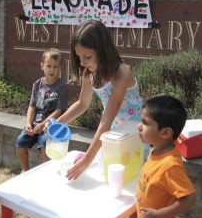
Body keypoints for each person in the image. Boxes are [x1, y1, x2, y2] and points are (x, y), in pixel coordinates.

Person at [46, 19, 145, 181]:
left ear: (103, 51)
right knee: (111, 178)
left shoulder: (122, 73)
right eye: (79, 57)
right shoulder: (89, 73)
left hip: (134, 136)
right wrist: (58, 123)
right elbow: (82, 104)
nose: (82, 62)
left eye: (87, 56)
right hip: (111, 136)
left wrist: (88, 158)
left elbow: (106, 119)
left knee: (132, 180)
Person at [133, 95, 196, 218]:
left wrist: (159, 216)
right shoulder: (155, 150)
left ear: (166, 132)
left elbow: (190, 198)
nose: (139, 126)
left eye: (145, 123)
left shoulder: (170, 165)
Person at [16, 48, 68, 171]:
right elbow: (32, 106)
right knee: (20, 142)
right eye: (48, 66)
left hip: (51, 126)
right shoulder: (37, 84)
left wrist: (43, 125)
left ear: (60, 68)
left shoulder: (62, 87)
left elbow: (58, 111)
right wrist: (28, 124)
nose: (51, 70)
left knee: (45, 144)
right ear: (42, 66)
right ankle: (25, 170)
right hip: (34, 125)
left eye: (55, 67)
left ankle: (45, 173)